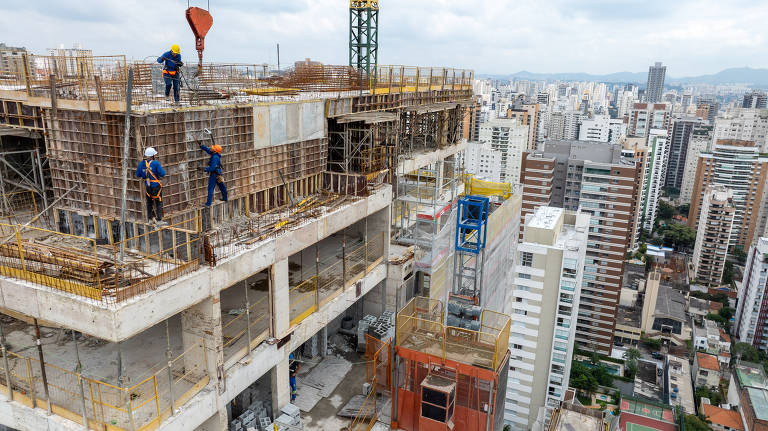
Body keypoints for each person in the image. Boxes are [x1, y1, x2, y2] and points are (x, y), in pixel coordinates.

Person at [136, 147, 166, 224]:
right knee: (158, 202)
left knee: (149, 202)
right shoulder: (156, 163)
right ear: (153, 155)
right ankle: (159, 220)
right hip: (156, 186)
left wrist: (145, 174)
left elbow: (138, 175)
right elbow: (163, 173)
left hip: (147, 186)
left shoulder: (141, 164)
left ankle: (149, 219)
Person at [200, 142, 228, 206]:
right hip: (218, 173)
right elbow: (208, 150)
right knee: (222, 186)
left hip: (214, 174)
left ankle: (208, 204)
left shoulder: (215, 157)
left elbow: (212, 168)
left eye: (212, 148)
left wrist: (204, 169)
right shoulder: (215, 154)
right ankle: (225, 198)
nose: (211, 148)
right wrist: (202, 146)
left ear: (215, 150)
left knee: (210, 188)